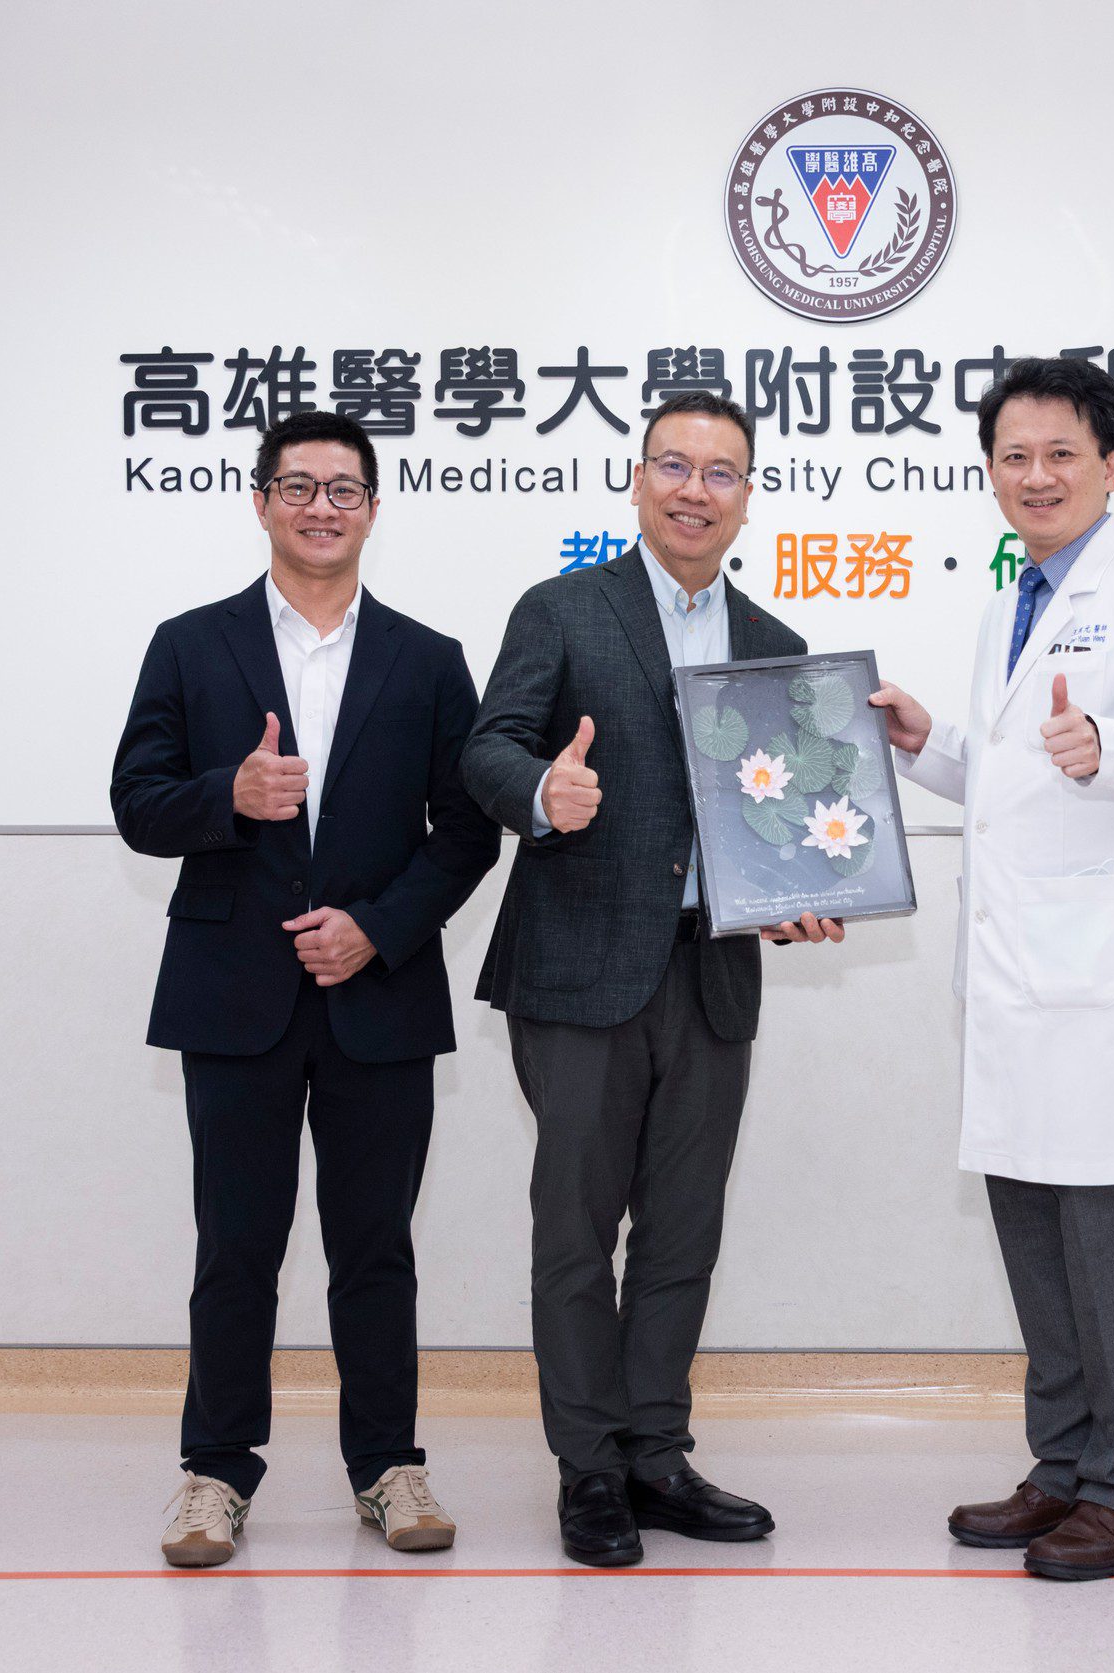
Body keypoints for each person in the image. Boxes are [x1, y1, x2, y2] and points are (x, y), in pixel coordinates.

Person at [111, 409, 501, 1568]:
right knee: (236, 1244)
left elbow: (467, 830)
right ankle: (214, 1472)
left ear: (372, 508)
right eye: (298, 485)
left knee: (374, 1246)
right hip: (232, 992)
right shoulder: (191, 643)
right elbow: (137, 802)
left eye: (343, 488)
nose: (320, 506)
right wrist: (226, 795)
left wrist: (377, 929)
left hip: (379, 991)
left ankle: (388, 1464)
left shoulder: (428, 659)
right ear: (260, 500)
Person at [463, 391, 840, 1568]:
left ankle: (655, 1454)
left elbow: (783, 821)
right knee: (576, 1231)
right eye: (673, 465)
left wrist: (797, 893)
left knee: (682, 1232)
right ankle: (587, 1464)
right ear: (636, 481)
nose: (693, 490)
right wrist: (542, 791)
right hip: (579, 968)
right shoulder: (563, 609)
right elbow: (487, 745)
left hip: (711, 975)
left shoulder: (775, 646)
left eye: (720, 472)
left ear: (746, 498)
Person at [871, 356, 1114, 1582]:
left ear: (1110, 464)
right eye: (1012, 456)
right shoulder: (1010, 599)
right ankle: (1064, 1462)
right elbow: (1012, 772)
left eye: (1060, 453)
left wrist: (1104, 743)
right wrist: (929, 743)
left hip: (1104, 967)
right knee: (1031, 1218)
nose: (1035, 475)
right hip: (1016, 967)